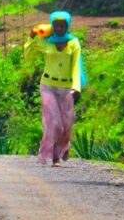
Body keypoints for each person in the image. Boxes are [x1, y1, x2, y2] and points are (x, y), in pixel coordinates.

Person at [25, 11, 86, 167]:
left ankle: (64, 147)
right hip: (48, 86)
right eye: (56, 25)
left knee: (66, 124)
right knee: (54, 122)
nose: (59, 28)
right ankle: (54, 157)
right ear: (52, 26)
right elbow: (28, 54)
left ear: (67, 26)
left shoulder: (74, 43)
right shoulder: (46, 42)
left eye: (62, 25)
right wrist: (31, 36)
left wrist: (76, 87)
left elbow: (75, 66)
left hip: (66, 87)